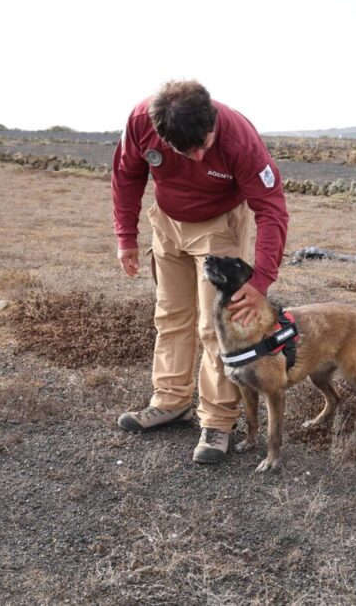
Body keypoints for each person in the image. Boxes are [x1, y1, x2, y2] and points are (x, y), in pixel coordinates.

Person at [112, 80, 288, 464]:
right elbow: (127, 174)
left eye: (203, 146)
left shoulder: (239, 140)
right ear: (161, 133)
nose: (195, 157)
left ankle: (218, 421)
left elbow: (272, 209)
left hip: (218, 226)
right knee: (170, 315)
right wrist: (126, 236)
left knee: (215, 328)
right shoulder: (141, 121)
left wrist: (260, 281)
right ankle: (170, 402)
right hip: (167, 223)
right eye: (183, 150)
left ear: (212, 122)